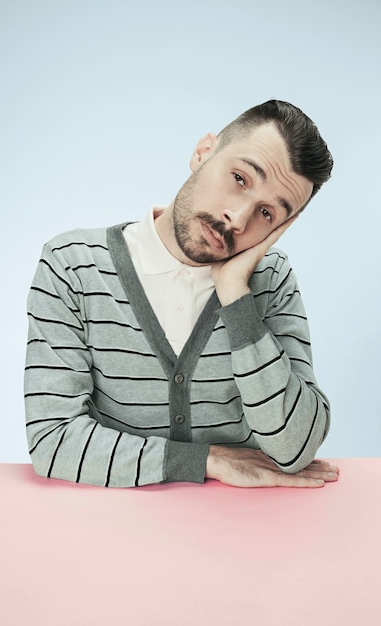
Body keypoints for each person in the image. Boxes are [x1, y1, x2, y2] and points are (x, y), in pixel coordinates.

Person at [24, 99, 339, 489]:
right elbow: (53, 441)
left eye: (267, 214)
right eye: (240, 178)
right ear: (204, 151)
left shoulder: (270, 279)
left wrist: (236, 297)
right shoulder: (73, 266)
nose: (238, 219)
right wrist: (203, 461)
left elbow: (294, 448)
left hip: (244, 532)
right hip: (110, 531)